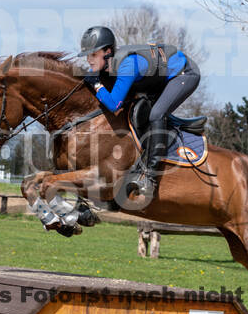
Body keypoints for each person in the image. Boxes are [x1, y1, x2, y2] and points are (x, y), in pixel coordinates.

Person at [77, 26, 200, 198]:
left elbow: (114, 105)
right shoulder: (108, 63)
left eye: (93, 54)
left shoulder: (127, 65)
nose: (89, 60)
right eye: (87, 56)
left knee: (156, 114)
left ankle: (150, 177)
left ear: (108, 51)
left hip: (184, 74)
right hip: (160, 76)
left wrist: (97, 85)